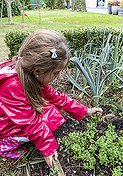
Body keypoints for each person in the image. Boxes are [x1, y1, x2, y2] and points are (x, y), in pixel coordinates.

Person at [0, 30, 103, 167]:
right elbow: (29, 122)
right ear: (38, 71)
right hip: (4, 123)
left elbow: (56, 97)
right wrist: (48, 147)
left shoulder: (29, 73)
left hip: (14, 115)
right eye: (56, 73)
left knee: (52, 114)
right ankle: (5, 145)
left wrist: (84, 111)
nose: (58, 76)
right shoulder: (12, 87)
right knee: (42, 122)